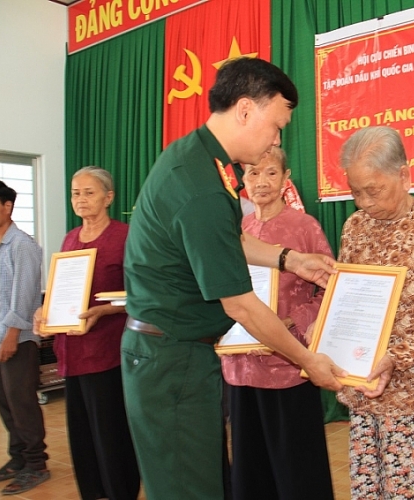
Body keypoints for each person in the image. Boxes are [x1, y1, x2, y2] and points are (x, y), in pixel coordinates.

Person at [122, 56, 344, 500]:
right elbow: (239, 304)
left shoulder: (200, 160)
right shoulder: (202, 184)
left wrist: (288, 260)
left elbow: (224, 242)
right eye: (276, 126)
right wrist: (307, 359)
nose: (276, 139)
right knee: (191, 489)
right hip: (172, 359)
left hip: (174, 354)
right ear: (245, 110)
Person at [335, 126, 414, 499]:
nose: (364, 202)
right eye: (355, 192)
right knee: (369, 490)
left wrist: (395, 357)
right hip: (365, 392)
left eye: (373, 190)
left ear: (404, 175)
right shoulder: (354, 228)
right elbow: (349, 299)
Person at [221, 146, 335, 500]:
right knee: (250, 469)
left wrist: (293, 320)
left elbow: (329, 291)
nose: (261, 181)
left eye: (271, 173)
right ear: (243, 180)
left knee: (297, 471)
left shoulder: (304, 228)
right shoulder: (235, 230)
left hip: (289, 365)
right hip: (240, 365)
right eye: (253, 172)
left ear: (286, 179)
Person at [33, 167, 139, 500]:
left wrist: (107, 310)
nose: (80, 199)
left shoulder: (126, 236)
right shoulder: (70, 238)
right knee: (81, 433)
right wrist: (43, 312)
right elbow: (60, 288)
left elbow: (145, 292)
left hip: (108, 351)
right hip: (72, 350)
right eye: (75, 193)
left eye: (89, 192)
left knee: (111, 432)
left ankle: (119, 491)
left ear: (109, 197)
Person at [0, 180, 49, 495]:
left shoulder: (23, 245)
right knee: (1, 396)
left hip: (16, 339)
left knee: (22, 402)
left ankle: (36, 465)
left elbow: (25, 294)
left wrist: (12, 334)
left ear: (8, 206)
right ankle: (18, 459)